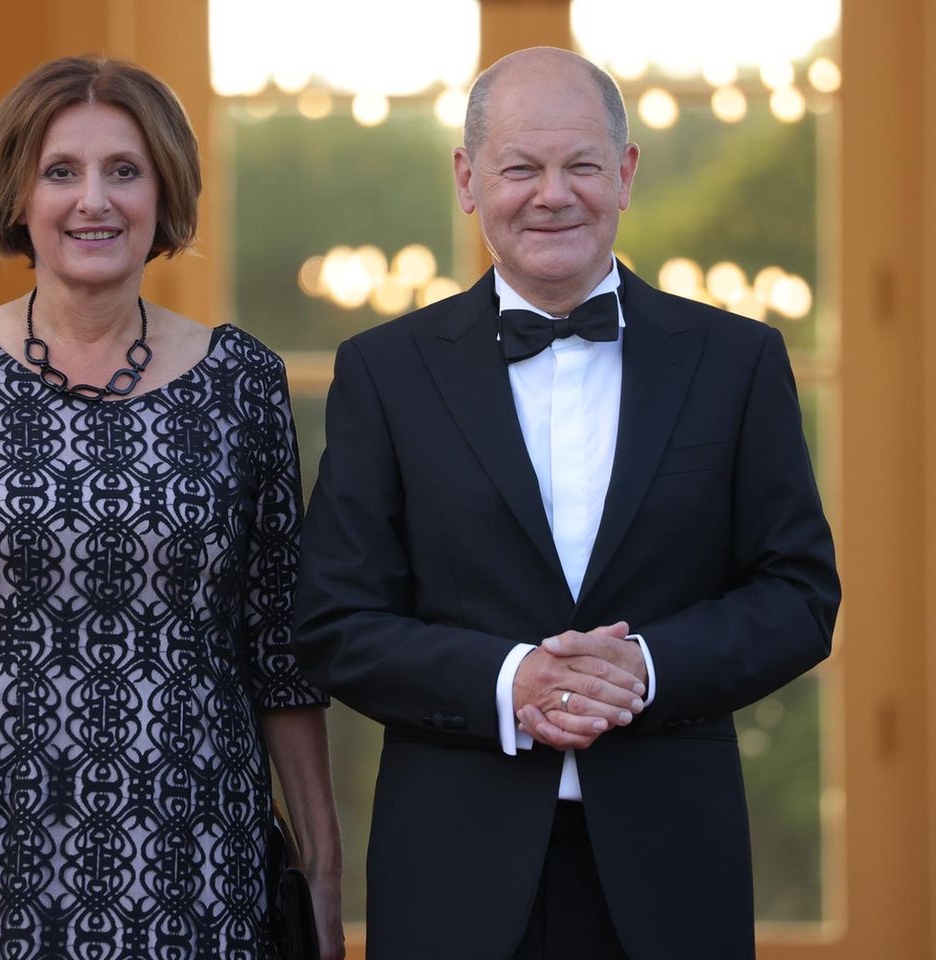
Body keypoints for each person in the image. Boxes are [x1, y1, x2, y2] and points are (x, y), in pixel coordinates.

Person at [293, 46, 839, 959]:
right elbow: (335, 620)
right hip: (451, 872)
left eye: (581, 165)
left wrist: (648, 667)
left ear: (625, 174)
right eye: (520, 168)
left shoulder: (738, 363)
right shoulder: (384, 372)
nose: (552, 195)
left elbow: (799, 596)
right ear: (467, 180)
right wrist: (510, 681)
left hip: (674, 869)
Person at [0, 56, 344, 960]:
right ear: (19, 196)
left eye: (124, 171)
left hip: (196, 869)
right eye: (61, 171)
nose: (92, 201)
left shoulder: (244, 383)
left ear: (163, 191)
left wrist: (323, 877)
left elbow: (280, 660)